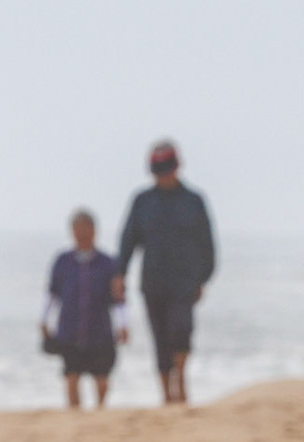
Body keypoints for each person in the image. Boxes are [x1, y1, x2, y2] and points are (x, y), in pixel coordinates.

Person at [113, 140, 216, 405]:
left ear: (177, 167)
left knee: (181, 331)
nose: (164, 174)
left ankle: (180, 380)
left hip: (185, 283)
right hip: (153, 282)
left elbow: (207, 244)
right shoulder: (142, 202)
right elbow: (128, 240)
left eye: (167, 168)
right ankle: (165, 393)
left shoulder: (194, 201)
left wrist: (203, 278)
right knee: (159, 338)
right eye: (158, 169)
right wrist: (119, 274)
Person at [41, 209, 126, 409]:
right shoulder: (63, 261)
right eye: (77, 229)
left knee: (102, 376)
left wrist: (123, 324)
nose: (82, 234)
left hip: (100, 329)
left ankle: (100, 409)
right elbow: (52, 294)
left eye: (86, 229)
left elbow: (119, 298)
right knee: (71, 374)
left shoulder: (107, 263)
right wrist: (44, 320)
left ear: (95, 231)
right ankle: (74, 413)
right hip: (70, 328)